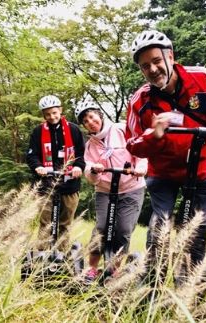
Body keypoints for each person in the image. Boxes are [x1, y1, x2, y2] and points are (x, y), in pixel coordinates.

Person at [125, 30, 206, 278]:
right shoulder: (140, 100)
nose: (152, 69)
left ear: (170, 56)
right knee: (160, 224)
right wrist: (155, 135)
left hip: (200, 168)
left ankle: (189, 282)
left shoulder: (201, 79)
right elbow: (132, 144)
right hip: (163, 173)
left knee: (196, 228)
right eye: (144, 66)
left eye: (156, 61)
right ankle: (153, 279)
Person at [75, 100, 147, 281]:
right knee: (101, 227)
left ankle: (113, 269)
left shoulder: (122, 129)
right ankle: (92, 267)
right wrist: (93, 169)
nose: (90, 122)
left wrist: (140, 167)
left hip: (131, 187)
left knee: (123, 230)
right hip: (105, 190)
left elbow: (140, 151)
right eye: (85, 121)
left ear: (99, 115)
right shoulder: (90, 145)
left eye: (91, 116)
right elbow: (89, 173)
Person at [26, 95, 86, 251]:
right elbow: (31, 154)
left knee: (65, 224)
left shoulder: (73, 129)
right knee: (45, 224)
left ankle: (61, 258)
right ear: (43, 115)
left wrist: (78, 166)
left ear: (60, 110)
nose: (52, 117)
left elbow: (81, 153)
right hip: (46, 184)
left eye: (54, 113)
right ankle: (41, 258)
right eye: (47, 114)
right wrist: (38, 166)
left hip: (69, 184)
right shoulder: (38, 131)